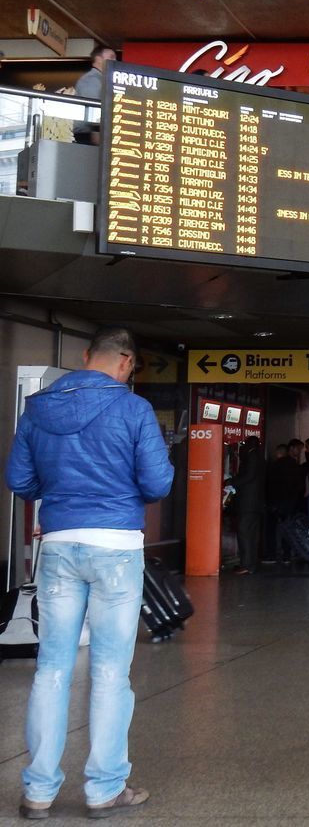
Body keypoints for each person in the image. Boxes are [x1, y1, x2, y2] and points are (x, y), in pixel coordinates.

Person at [5, 326, 174, 818]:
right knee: (109, 672)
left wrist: (58, 494)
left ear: (85, 355)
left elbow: (19, 479)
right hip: (117, 547)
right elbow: (158, 481)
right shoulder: (133, 409)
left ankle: (38, 790)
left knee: (51, 669)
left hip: (57, 545)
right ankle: (103, 789)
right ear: (125, 361)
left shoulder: (38, 408)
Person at [227, 436, 266, 575]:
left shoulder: (252, 457)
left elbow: (248, 476)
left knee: (244, 532)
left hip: (248, 503)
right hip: (256, 504)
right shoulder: (260, 457)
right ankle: (252, 563)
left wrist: (232, 481)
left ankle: (246, 565)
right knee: (253, 534)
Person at [265, 441, 304, 562]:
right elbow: (299, 485)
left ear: (279, 453)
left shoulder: (275, 466)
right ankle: (287, 554)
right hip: (291, 503)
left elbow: (270, 485)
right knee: (288, 528)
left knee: (272, 529)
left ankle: (272, 554)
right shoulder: (294, 465)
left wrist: (271, 502)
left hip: (277, 502)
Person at [72, 45, 116, 145]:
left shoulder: (101, 80)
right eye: (111, 57)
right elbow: (94, 108)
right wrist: (97, 135)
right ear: (98, 59)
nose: (115, 60)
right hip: (87, 136)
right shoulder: (92, 80)